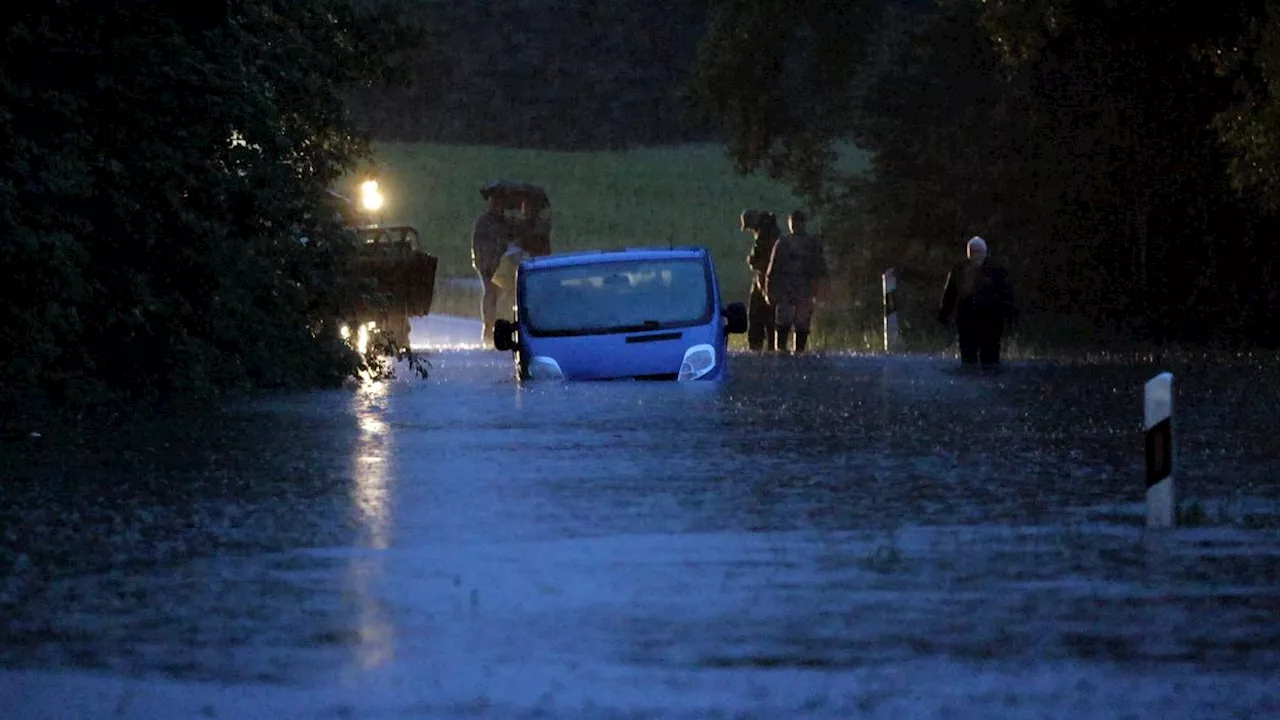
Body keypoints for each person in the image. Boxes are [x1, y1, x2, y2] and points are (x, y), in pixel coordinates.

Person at [937, 235, 1016, 370]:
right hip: (970, 322)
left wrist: (1010, 315)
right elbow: (950, 294)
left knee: (989, 361)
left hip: (990, 323)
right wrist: (944, 315)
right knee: (971, 361)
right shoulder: (961, 269)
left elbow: (1006, 294)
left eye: (979, 252)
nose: (976, 256)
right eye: (974, 253)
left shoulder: (995, 270)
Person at [765, 210, 828, 354]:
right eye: (793, 222)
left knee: (801, 323)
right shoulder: (783, 243)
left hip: (804, 289)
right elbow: (773, 269)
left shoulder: (810, 244)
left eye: (797, 222)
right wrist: (769, 290)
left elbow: (820, 269)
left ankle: (798, 351)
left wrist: (821, 289)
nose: (795, 225)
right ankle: (781, 350)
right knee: (784, 321)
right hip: (787, 289)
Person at [472, 185, 514, 346]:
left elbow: (512, 240)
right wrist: (482, 262)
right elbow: (478, 244)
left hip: (502, 264)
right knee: (490, 294)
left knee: (498, 296)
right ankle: (489, 328)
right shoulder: (483, 222)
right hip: (488, 264)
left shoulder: (506, 222)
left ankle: (499, 328)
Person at [740, 209, 781, 352]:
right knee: (767, 315)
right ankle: (770, 346)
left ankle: (759, 347)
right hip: (767, 279)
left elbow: (764, 260)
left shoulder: (766, 234)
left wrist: (753, 262)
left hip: (766, 279)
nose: (750, 230)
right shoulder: (769, 230)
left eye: (749, 227)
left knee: (759, 314)